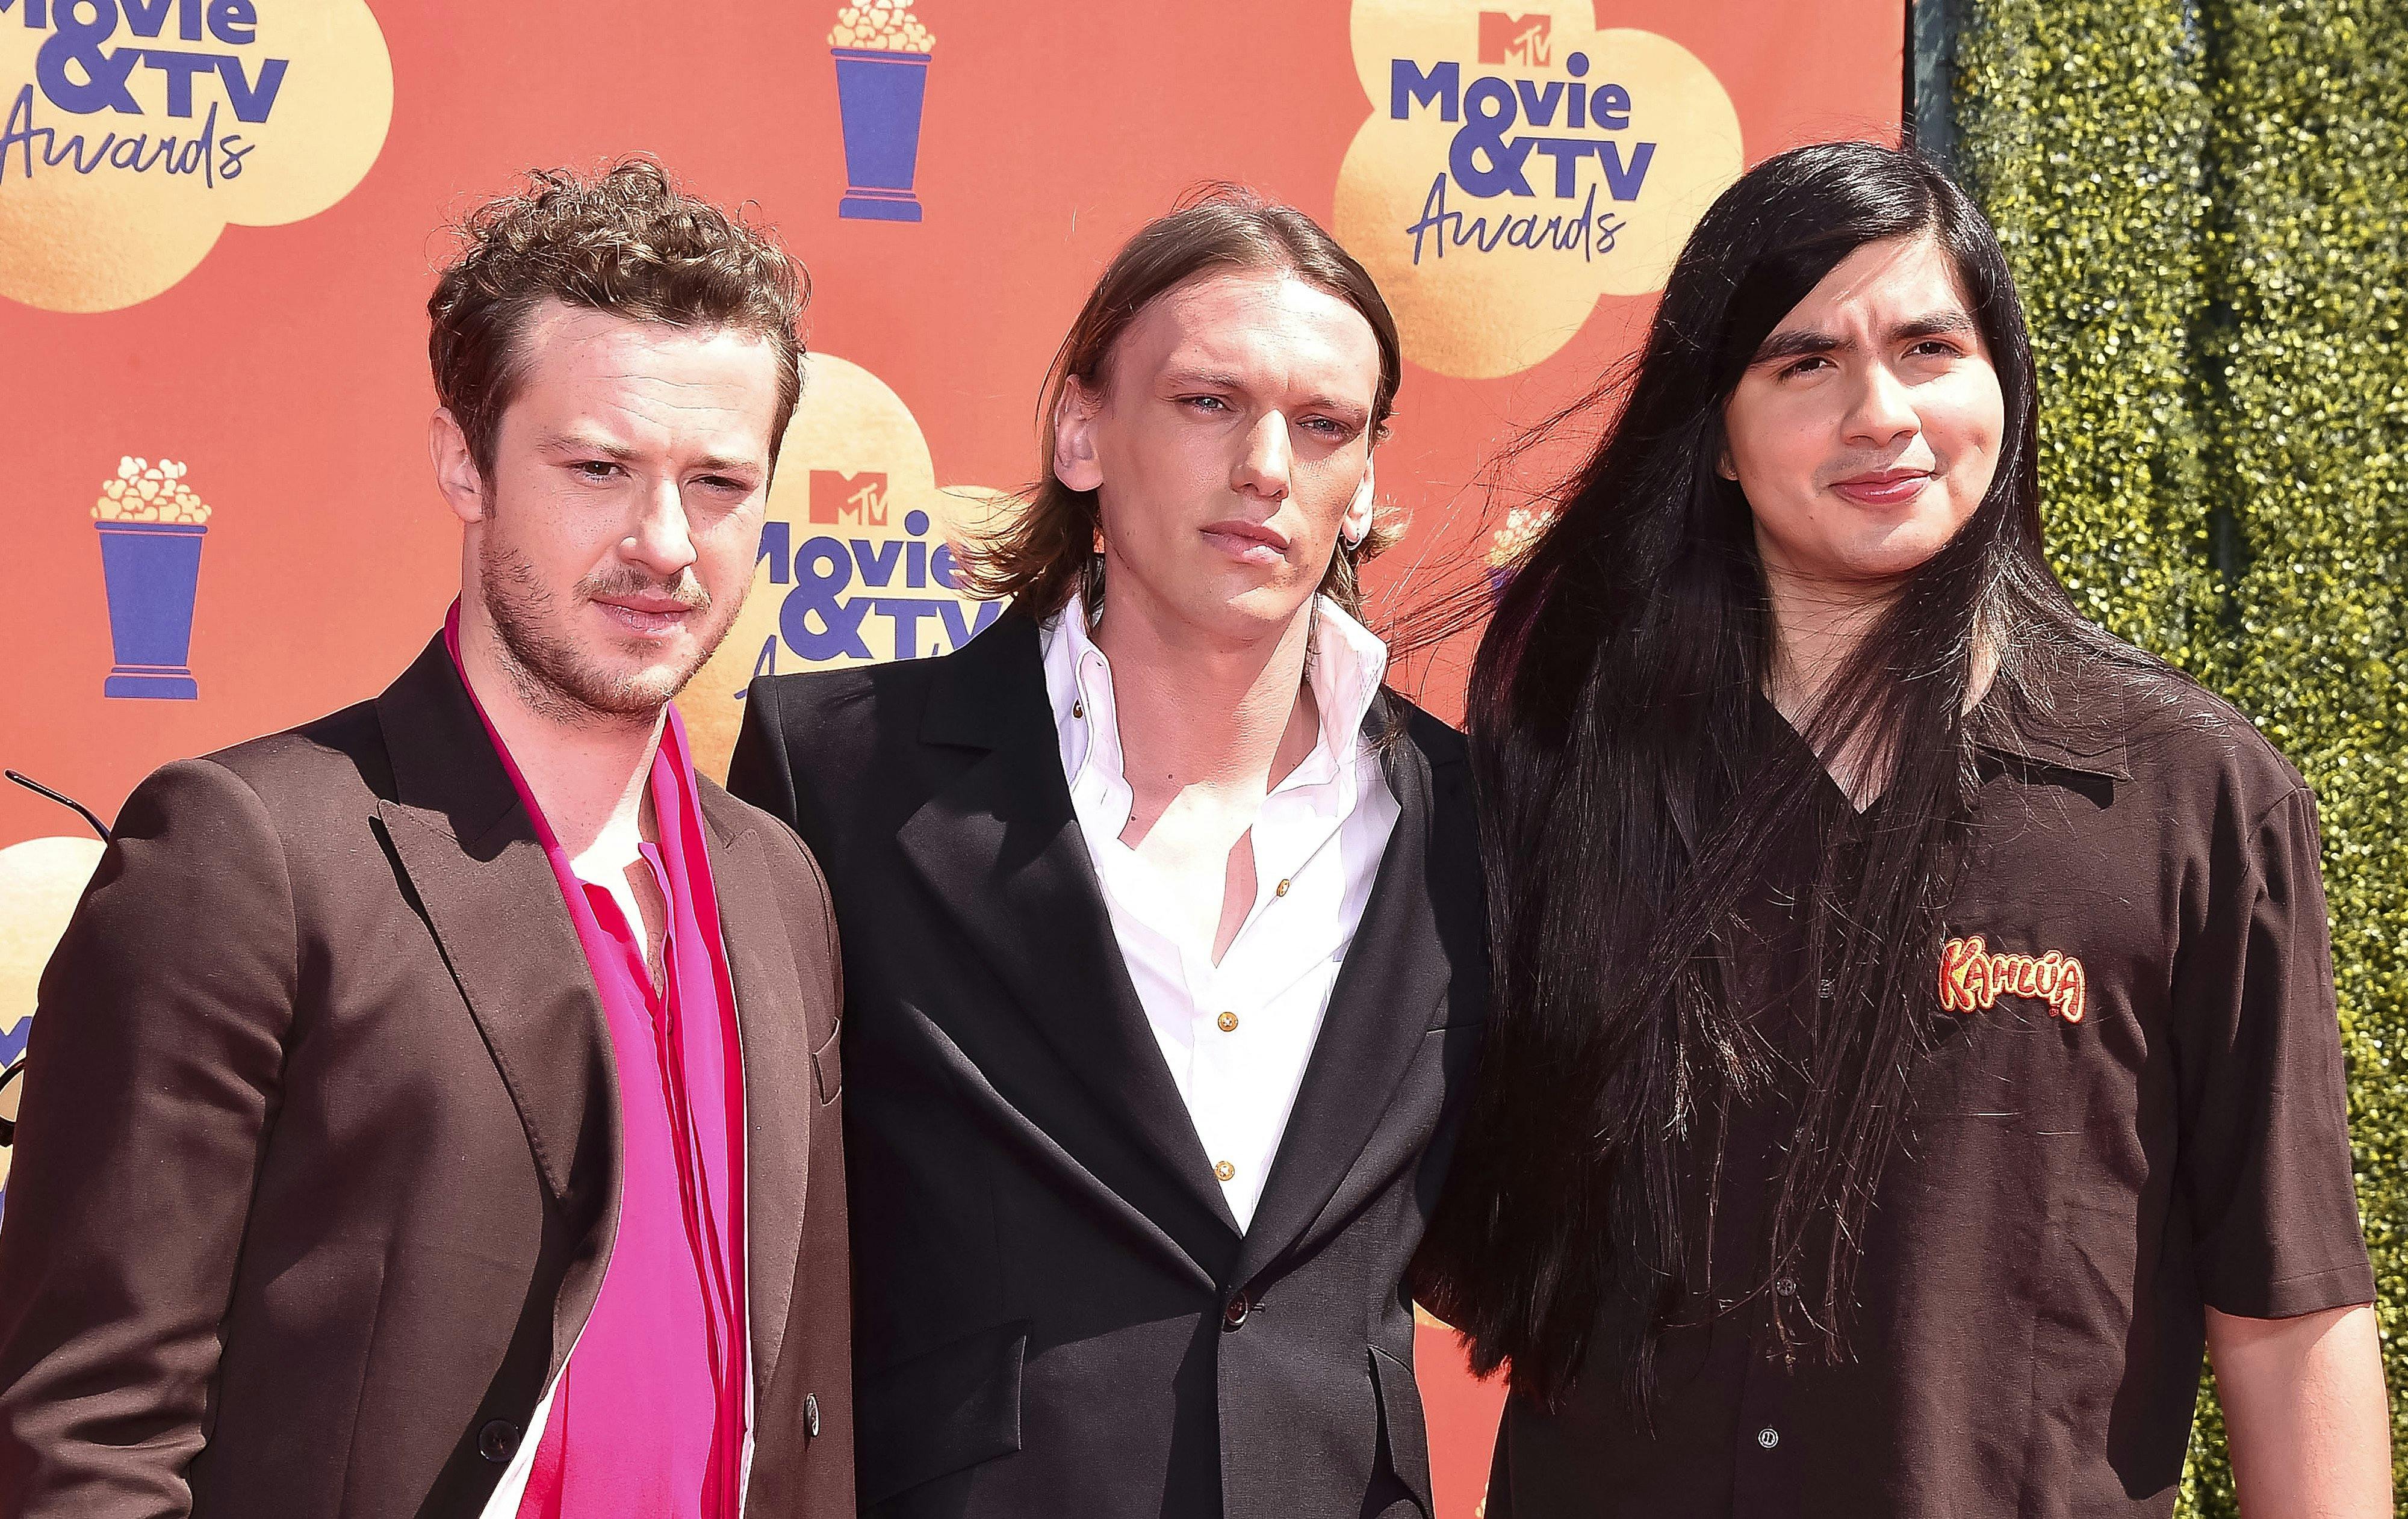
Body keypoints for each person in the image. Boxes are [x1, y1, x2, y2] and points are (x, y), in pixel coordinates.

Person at [1415, 140, 2392, 1518]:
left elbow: (2288, 1305)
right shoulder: (1567, 768)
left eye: (1927, 345)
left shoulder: (2191, 794)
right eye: (1801, 362)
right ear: (1712, 435)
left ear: (2000, 385)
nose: (1881, 412)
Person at [0, 161, 854, 1518]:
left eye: (716, 482)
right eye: (597, 467)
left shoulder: (775, 882)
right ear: (465, 458)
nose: (662, 542)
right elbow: (89, 1432)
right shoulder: (251, 853)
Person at [728, 187, 1486, 1518]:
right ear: (1081, 429)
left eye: (1321, 426)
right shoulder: (837, 771)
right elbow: (749, 1246)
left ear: (1362, 486)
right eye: (1208, 401)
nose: (1266, 465)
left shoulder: (1467, 821)